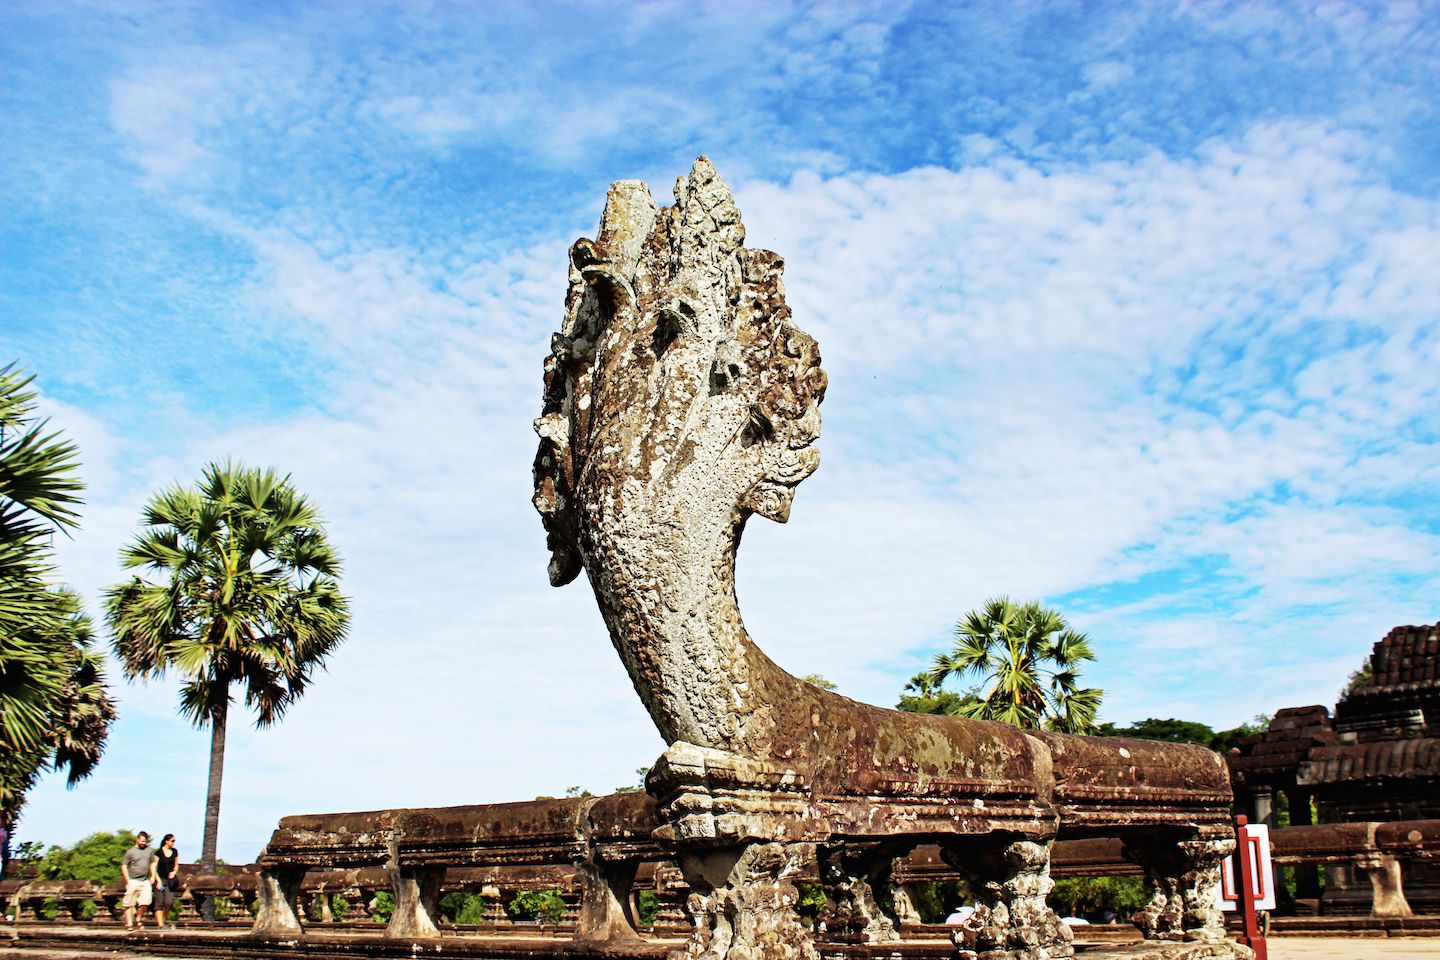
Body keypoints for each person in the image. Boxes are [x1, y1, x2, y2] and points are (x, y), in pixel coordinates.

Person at [119, 831, 156, 931]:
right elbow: (124, 866)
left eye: (145, 841)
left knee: (145, 902)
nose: (144, 843)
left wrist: (153, 876)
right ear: (137, 839)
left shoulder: (149, 851)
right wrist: (128, 881)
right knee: (128, 903)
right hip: (133, 880)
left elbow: (152, 863)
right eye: (142, 841)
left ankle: (138, 918)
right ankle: (129, 923)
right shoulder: (131, 852)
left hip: (145, 880)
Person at [150, 834, 179, 929]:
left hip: (170, 881)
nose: (173, 842)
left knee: (168, 903)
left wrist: (174, 872)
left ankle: (162, 919)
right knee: (159, 902)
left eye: (174, 841)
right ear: (166, 841)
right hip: (160, 879)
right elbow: (154, 866)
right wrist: (157, 880)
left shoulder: (174, 852)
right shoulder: (159, 852)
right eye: (172, 840)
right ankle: (160, 924)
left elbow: (176, 864)